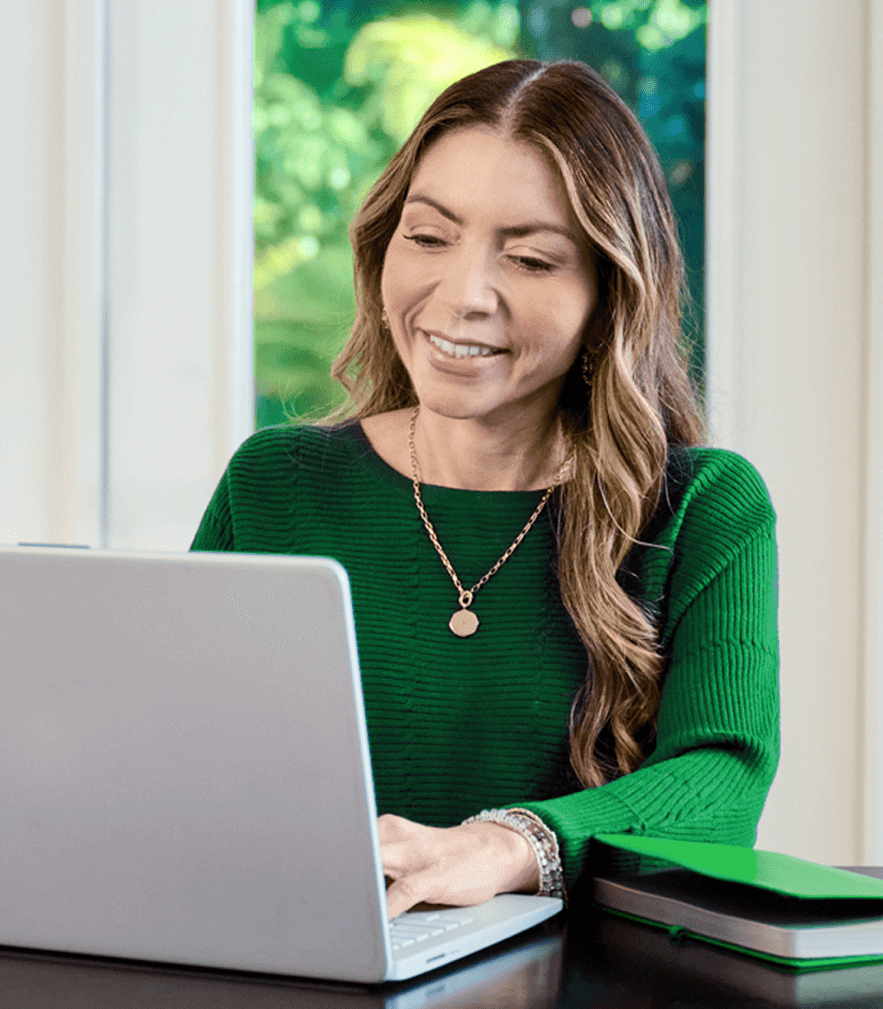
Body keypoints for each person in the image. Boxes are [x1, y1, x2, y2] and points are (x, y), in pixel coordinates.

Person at [192, 59, 777, 918]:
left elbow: (722, 780)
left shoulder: (703, 506)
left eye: (533, 259)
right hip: (310, 969)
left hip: (591, 1003)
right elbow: (174, 754)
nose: (463, 296)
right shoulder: (274, 482)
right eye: (429, 238)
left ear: (608, 297)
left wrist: (510, 846)